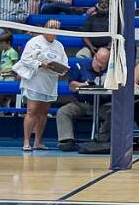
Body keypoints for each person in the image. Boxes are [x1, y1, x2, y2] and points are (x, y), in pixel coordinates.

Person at [15, 19, 68, 151]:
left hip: (49, 82)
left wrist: (59, 69)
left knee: (44, 112)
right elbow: (25, 59)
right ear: (44, 27)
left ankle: (38, 142)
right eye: (50, 27)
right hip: (35, 80)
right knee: (32, 110)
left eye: (56, 28)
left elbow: (65, 64)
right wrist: (41, 64)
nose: (53, 30)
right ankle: (26, 142)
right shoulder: (34, 42)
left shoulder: (59, 46)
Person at [56, 47, 111, 152]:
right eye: (99, 61)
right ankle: (67, 140)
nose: (100, 65)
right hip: (81, 103)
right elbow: (71, 86)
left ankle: (100, 139)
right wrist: (84, 85)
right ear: (94, 57)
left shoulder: (111, 70)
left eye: (104, 63)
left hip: (101, 104)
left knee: (114, 113)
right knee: (63, 112)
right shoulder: (80, 66)